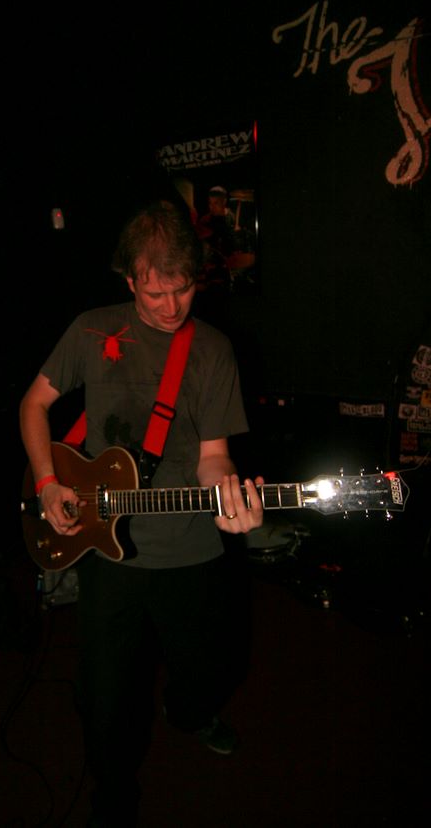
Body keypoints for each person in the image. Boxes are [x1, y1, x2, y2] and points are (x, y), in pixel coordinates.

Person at [19, 199, 264, 827]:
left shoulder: (211, 349)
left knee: (209, 666)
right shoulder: (91, 329)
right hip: (106, 545)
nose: (171, 306)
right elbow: (33, 404)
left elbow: (214, 457)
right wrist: (47, 482)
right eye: (155, 293)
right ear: (130, 281)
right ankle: (112, 797)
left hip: (189, 545)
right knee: (104, 695)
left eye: (183, 289)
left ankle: (190, 711)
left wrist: (229, 493)